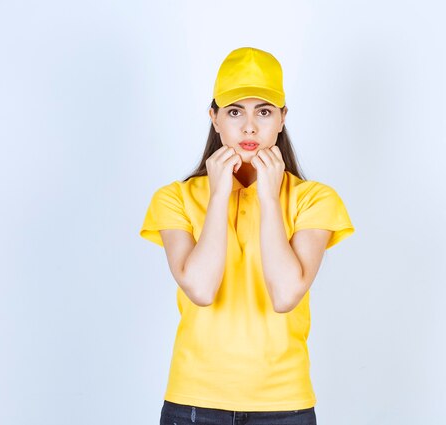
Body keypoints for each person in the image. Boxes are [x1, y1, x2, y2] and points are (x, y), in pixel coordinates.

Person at [140, 47, 355, 425]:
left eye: (265, 111)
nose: (250, 127)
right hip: (194, 402)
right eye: (235, 111)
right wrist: (219, 193)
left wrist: (269, 199)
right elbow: (201, 290)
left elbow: (286, 295)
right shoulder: (174, 198)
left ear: (282, 119)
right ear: (214, 118)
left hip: (284, 404)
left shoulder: (314, 199)